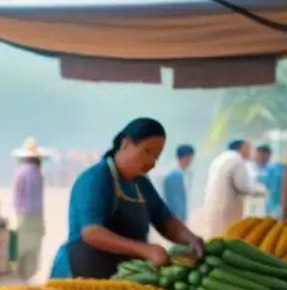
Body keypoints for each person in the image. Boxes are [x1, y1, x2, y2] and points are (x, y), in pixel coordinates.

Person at [50, 118, 204, 279]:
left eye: (156, 157)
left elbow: (165, 220)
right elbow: (92, 232)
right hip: (81, 272)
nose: (152, 162)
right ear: (125, 145)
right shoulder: (95, 178)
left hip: (122, 275)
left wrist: (190, 239)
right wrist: (144, 249)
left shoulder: (141, 183)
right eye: (147, 152)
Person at [204, 139, 267, 237]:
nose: (251, 152)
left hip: (213, 207)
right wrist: (260, 191)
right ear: (242, 148)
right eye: (249, 148)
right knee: (228, 238)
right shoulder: (237, 160)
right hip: (228, 210)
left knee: (215, 237)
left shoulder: (220, 158)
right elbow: (243, 187)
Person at [11, 138, 46, 280]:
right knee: (32, 255)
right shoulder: (38, 174)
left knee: (18, 254)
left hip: (22, 218)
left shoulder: (20, 172)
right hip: (36, 219)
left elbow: (16, 198)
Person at [161, 144, 195, 223]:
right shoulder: (174, 176)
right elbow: (175, 201)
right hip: (175, 218)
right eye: (190, 158)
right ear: (185, 158)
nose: (191, 161)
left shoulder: (186, 173)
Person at [253, 144, 286, 219]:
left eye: (258, 155)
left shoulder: (277, 169)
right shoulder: (262, 170)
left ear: (266, 155)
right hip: (267, 209)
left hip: (277, 208)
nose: (256, 157)